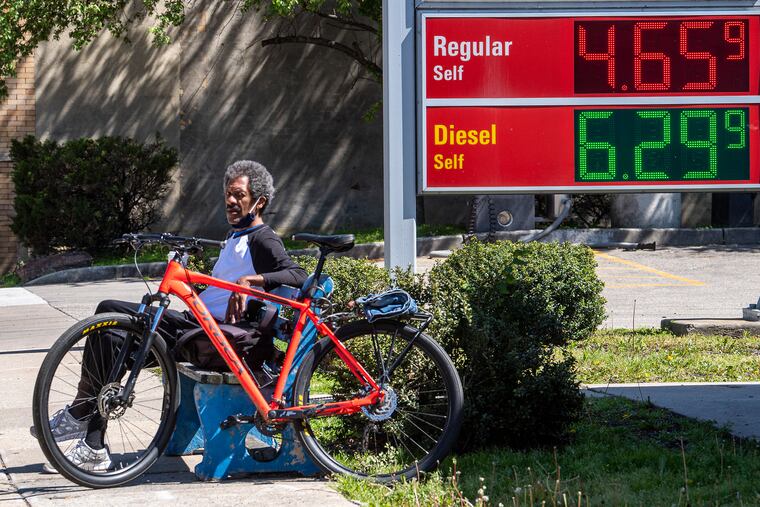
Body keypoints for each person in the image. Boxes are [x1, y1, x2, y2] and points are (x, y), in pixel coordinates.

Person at [32, 160, 308, 472]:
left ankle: (86, 423)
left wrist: (250, 282)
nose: (230, 201)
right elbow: (224, 284)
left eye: (239, 195)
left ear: (259, 202)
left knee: (113, 326)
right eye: (227, 194)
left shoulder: (262, 238)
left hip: (216, 337)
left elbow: (298, 275)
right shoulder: (235, 237)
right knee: (110, 321)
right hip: (198, 324)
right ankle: (91, 436)